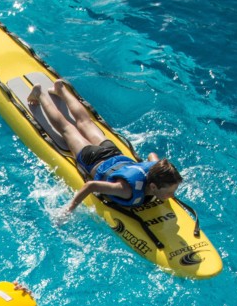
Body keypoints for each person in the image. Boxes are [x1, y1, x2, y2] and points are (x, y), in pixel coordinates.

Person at [27, 80, 182, 213]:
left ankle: (61, 89)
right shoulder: (125, 189)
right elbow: (91, 185)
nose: (173, 195)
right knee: (67, 128)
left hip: (113, 152)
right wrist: (70, 208)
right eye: (170, 192)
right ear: (153, 187)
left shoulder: (155, 167)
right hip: (92, 157)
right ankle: (40, 94)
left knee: (85, 121)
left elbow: (152, 155)